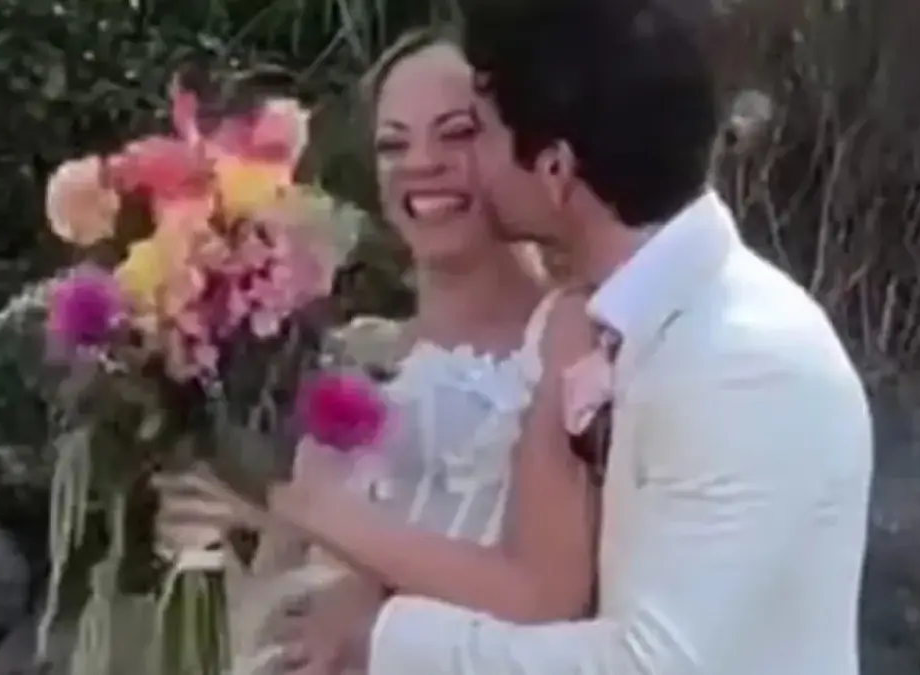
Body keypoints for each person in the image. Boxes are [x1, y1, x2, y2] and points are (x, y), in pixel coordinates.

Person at [353, 0, 873, 672]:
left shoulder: (744, 358)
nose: (465, 164)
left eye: (479, 132)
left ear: (555, 170)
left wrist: (381, 640)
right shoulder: (614, 321)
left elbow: (648, 664)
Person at [154, 27, 602, 674]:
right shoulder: (346, 359)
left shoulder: (576, 343)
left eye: (457, 133)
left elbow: (566, 603)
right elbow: (277, 598)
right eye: (394, 144)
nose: (421, 163)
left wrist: (377, 612)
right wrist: (214, 536)